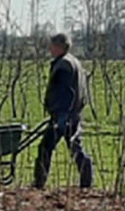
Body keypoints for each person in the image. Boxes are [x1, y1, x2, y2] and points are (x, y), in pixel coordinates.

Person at [32, 33, 95, 190]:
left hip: (63, 115)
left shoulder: (64, 66)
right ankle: (86, 180)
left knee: (46, 147)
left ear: (60, 47)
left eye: (52, 46)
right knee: (75, 146)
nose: (50, 49)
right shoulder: (74, 62)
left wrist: (61, 114)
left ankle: (39, 183)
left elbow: (66, 93)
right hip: (72, 114)